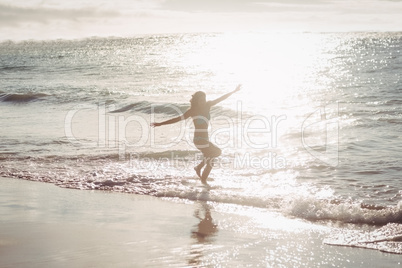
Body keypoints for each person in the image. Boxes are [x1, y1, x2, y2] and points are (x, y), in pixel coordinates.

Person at [151, 84, 241, 184]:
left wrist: (233, 91)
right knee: (216, 153)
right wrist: (160, 124)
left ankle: (199, 169)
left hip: (205, 139)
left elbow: (220, 99)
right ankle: (203, 179)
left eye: (204, 99)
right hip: (198, 139)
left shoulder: (208, 105)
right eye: (201, 99)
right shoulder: (192, 111)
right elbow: (177, 119)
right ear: (197, 100)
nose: (203, 101)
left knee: (211, 156)